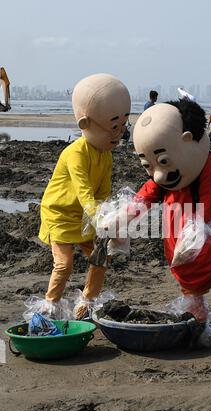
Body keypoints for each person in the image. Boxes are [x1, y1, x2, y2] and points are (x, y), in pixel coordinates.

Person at [130, 100, 211, 352]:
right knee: (191, 290)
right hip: (187, 254)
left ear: (188, 139)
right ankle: (196, 319)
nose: (157, 174)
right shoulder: (164, 178)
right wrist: (122, 216)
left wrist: (191, 235)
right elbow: (146, 193)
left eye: (163, 161)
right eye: (148, 165)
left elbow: (208, 206)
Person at [39, 74, 131, 320]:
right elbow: (83, 190)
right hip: (59, 213)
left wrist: (109, 218)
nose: (119, 133)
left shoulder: (106, 154)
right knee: (64, 264)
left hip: (85, 216)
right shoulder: (75, 153)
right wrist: (100, 219)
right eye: (113, 127)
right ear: (85, 124)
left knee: (101, 257)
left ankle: (86, 303)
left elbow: (102, 191)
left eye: (123, 126)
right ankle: (50, 306)